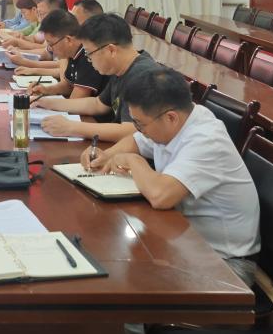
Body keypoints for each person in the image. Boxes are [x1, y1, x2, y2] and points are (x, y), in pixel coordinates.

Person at [80, 67, 260, 287]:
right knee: (110, 258)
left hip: (225, 263)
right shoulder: (178, 121)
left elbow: (160, 196)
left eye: (140, 124)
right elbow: (136, 141)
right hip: (185, 240)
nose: (138, 130)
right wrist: (105, 156)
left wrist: (134, 161)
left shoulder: (206, 140)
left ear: (170, 118)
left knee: (119, 279)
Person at [26, 10, 118, 140]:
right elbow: (93, 102)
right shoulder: (76, 55)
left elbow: (77, 101)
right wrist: (45, 95)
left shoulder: (88, 57)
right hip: (96, 126)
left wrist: (71, 126)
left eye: (51, 44)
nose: (50, 49)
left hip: (99, 127)